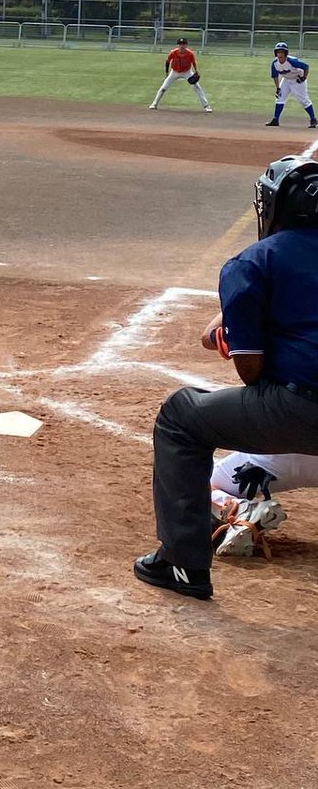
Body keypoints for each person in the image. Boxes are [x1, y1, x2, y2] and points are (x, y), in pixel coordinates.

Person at [134, 153, 318, 599]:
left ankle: (183, 564)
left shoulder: (255, 261)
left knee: (180, 416)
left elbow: (250, 370)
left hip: (301, 411)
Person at [148, 38, 211, 112]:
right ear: (178, 45)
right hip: (174, 72)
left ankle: (206, 106)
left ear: (186, 45)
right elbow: (167, 61)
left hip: (187, 72)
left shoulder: (190, 53)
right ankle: (154, 104)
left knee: (197, 87)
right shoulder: (173, 52)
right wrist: (167, 73)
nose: (182, 46)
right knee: (163, 88)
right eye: (180, 44)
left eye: (183, 44)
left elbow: (193, 62)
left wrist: (196, 71)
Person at [265, 41, 316, 128]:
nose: (280, 54)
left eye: (282, 52)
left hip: (297, 80)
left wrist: (304, 77)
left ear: (286, 53)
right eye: (278, 52)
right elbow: (275, 76)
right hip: (286, 80)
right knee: (280, 98)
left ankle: (313, 120)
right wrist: (278, 88)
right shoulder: (275, 63)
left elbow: (306, 66)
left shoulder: (292, 61)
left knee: (303, 100)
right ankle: (275, 119)